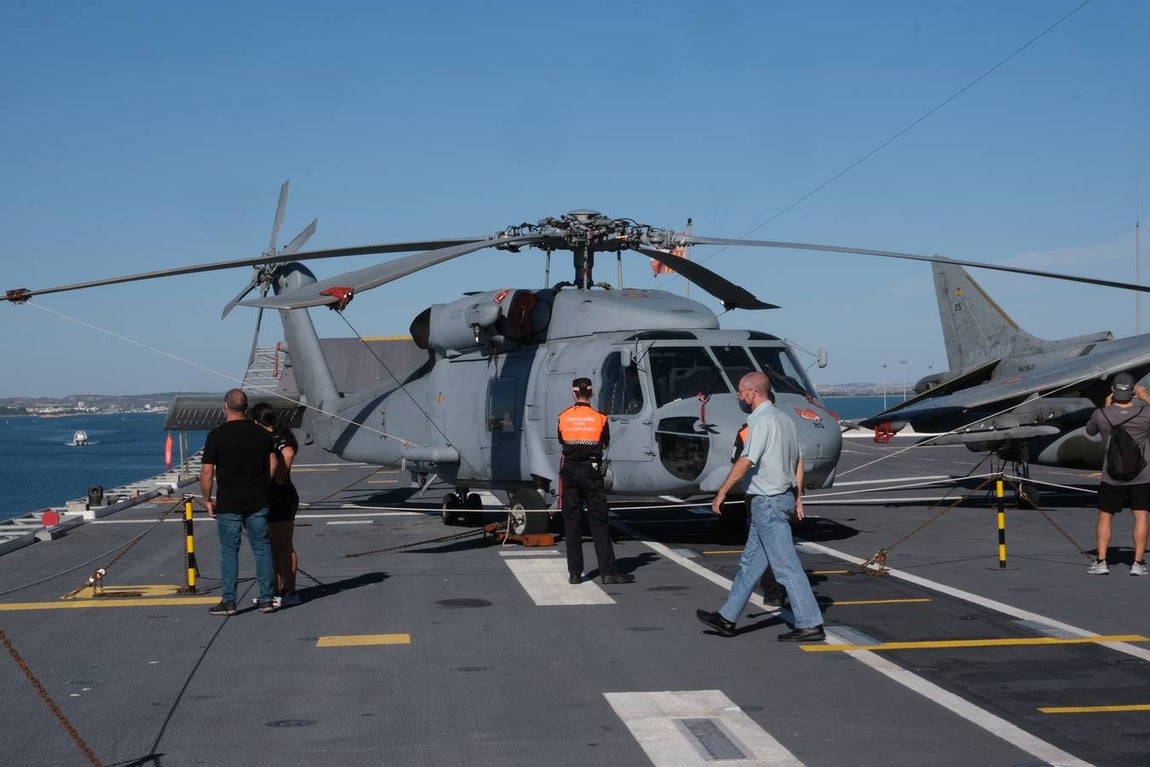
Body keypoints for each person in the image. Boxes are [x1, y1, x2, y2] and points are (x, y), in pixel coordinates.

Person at [696, 371, 825, 641]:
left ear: (753, 393)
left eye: (741, 391)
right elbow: (798, 461)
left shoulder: (761, 421)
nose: (739, 396)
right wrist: (798, 496)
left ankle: (810, 623)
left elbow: (746, 460)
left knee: (786, 567)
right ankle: (727, 618)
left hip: (767, 502)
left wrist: (722, 492)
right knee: (750, 564)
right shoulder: (785, 420)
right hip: (776, 500)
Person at [200, 388, 278, 615]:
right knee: (262, 549)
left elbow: (206, 472)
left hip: (229, 502)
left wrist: (207, 499)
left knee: (229, 552)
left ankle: (229, 601)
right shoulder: (262, 434)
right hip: (257, 500)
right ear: (246, 408)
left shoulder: (216, 435)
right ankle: (266, 599)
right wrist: (264, 485)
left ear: (225, 406)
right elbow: (273, 464)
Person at [558, 377, 635, 585]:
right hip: (592, 470)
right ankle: (608, 571)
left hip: (571, 469)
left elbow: (562, 441)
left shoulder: (563, 417)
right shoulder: (600, 418)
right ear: (591, 393)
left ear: (574, 393)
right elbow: (605, 443)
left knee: (571, 522)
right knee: (598, 521)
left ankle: (575, 573)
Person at [1084, 372, 1150, 576]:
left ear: (1113, 390)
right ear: (1133, 392)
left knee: (1105, 517)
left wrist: (1105, 407)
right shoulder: (1145, 415)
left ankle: (1102, 562)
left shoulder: (1101, 415)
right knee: (1141, 516)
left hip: (1111, 475)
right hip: (1142, 475)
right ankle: (1137, 564)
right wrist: (1146, 396)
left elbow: (1090, 431)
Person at [731, 423, 788, 609]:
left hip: (757, 494)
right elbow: (798, 459)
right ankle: (775, 591)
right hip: (783, 493)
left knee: (759, 548)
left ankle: (770, 591)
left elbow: (737, 461)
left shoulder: (747, 431)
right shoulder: (785, 426)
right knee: (776, 545)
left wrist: (723, 490)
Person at [251, 402, 302, 607]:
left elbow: (288, 454)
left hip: (279, 495)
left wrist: (278, 476)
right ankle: (277, 591)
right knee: (274, 546)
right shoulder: (282, 433)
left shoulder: (272, 437)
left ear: (256, 421)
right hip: (279, 495)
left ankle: (289, 592)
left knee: (282, 545)